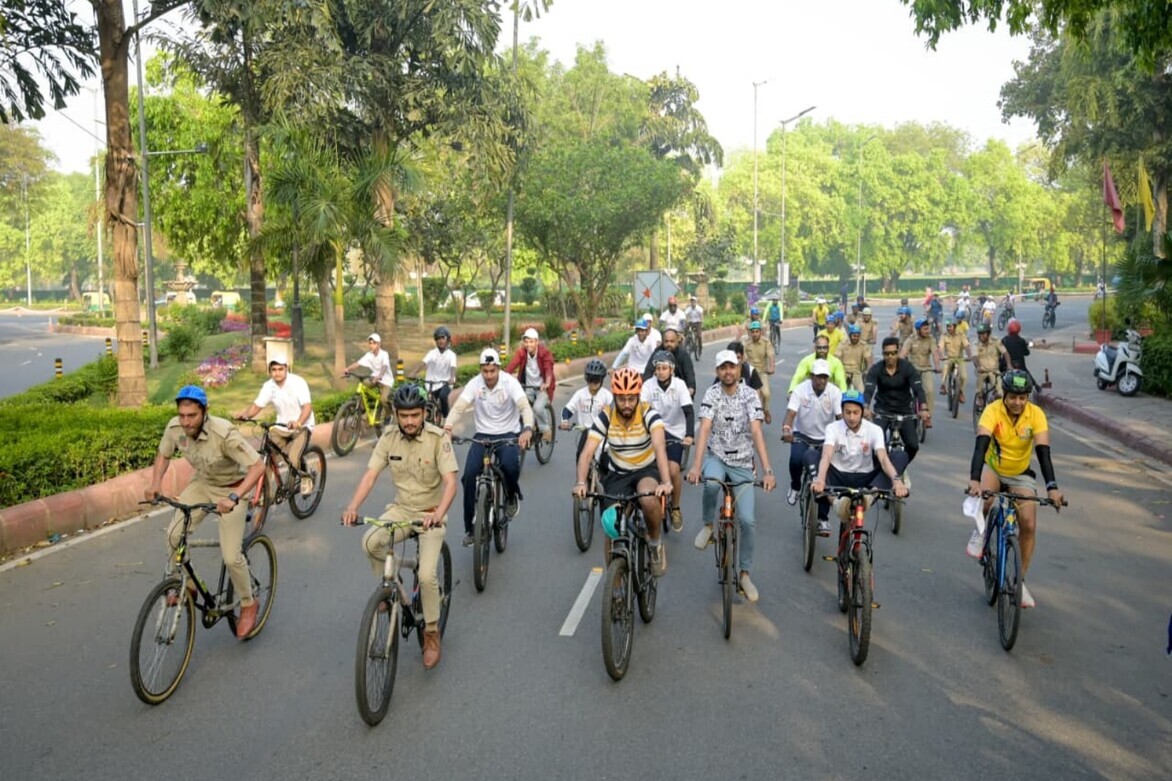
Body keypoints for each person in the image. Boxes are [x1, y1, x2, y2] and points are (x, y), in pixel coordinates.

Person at [342, 383, 458, 669]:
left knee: (428, 576)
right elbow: (370, 475)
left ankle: (431, 632)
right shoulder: (389, 437)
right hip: (401, 510)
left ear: (424, 413)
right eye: (403, 415)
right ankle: (393, 581)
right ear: (395, 414)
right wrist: (352, 507)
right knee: (370, 542)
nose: (409, 421)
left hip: (430, 514)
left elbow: (451, 483)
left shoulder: (438, 438)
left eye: (415, 415)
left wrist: (438, 514)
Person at [147, 386, 267, 639]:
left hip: (232, 488)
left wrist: (234, 497)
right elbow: (163, 455)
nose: (186, 422)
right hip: (202, 484)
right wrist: (155, 483)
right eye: (182, 415)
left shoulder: (223, 434)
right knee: (173, 535)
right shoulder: (175, 428)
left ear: (205, 411)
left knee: (231, 556)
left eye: (192, 415)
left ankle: (248, 603)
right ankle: (188, 587)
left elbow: (258, 467)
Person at [966, 370, 1065, 608]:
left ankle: (1019, 581)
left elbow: (1043, 454)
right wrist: (974, 480)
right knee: (985, 501)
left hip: (1021, 474)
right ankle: (980, 533)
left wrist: (1052, 488)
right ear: (1004, 395)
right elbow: (981, 447)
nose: (1017, 403)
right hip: (994, 468)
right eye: (1012, 397)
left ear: (1027, 397)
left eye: (1022, 398)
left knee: (1028, 524)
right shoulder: (992, 411)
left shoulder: (1036, 415)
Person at [687, 350, 777, 602]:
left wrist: (768, 470)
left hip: (743, 464)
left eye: (732, 367)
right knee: (711, 485)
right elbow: (705, 429)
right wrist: (696, 466)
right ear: (717, 371)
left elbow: (756, 431)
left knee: (747, 520)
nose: (728, 372)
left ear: (738, 369)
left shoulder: (749, 395)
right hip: (716, 457)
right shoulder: (711, 394)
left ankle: (745, 574)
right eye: (723, 368)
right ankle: (708, 525)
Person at [572, 368, 672, 575]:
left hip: (646, 470)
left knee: (648, 499)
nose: (626, 404)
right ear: (614, 397)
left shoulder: (648, 414)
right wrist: (581, 482)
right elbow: (587, 452)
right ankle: (615, 586)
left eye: (631, 399)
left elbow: (659, 447)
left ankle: (655, 543)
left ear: (638, 396)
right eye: (621, 399)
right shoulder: (606, 416)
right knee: (612, 527)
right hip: (618, 474)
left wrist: (666, 482)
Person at [444, 348, 534, 546]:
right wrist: (448, 427)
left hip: (508, 433)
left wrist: (527, 428)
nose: (489, 375)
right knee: (468, 476)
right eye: (485, 371)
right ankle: (470, 529)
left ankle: (511, 495)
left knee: (510, 466)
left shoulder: (510, 383)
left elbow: (524, 407)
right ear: (481, 369)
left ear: (498, 369)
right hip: (483, 435)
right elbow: (459, 407)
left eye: (492, 371)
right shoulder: (475, 384)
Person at [810, 389, 909, 537]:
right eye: (847, 412)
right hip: (838, 476)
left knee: (900, 456)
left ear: (862, 412)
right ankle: (836, 504)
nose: (851, 417)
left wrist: (897, 481)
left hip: (865, 478)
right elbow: (827, 455)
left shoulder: (874, 430)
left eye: (856, 412)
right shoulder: (833, 428)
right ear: (842, 411)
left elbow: (883, 458)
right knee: (810, 455)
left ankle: (869, 497)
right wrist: (820, 479)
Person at [641, 350, 694, 531]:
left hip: (675, 431)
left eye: (664, 368)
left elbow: (688, 412)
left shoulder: (680, 385)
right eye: (658, 368)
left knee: (673, 469)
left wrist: (689, 435)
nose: (661, 372)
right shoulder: (648, 386)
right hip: (653, 430)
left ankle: (676, 507)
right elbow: (642, 410)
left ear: (671, 370)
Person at [235, 357, 315, 475]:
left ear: (286, 369)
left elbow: (307, 407)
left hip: (302, 427)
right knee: (266, 458)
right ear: (270, 371)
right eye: (274, 369)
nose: (277, 373)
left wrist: (298, 422)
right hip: (281, 427)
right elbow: (257, 406)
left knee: (294, 459)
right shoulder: (269, 386)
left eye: (280, 369)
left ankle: (306, 476)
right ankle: (265, 487)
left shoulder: (298, 382)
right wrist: (245, 415)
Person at [781, 359, 842, 506]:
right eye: (819, 377)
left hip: (826, 438)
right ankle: (795, 486)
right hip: (802, 434)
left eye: (825, 377)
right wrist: (787, 430)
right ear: (811, 376)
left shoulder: (834, 392)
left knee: (826, 472)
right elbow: (790, 413)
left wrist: (843, 437)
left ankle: (822, 515)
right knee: (796, 460)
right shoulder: (800, 390)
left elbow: (840, 417)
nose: (822, 381)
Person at [864, 336, 929, 462]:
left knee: (913, 445)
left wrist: (924, 408)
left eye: (893, 353)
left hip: (904, 411)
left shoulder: (908, 368)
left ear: (898, 352)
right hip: (882, 410)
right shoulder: (876, 369)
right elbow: (868, 391)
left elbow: (918, 389)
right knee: (875, 446)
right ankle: (880, 468)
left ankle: (902, 465)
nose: (890, 357)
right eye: (887, 354)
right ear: (883, 354)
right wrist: (865, 407)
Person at [505, 327, 556, 442]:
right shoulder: (522, 352)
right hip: (527, 387)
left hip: (542, 388)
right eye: (526, 342)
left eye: (531, 342)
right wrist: (501, 377)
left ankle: (546, 429)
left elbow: (548, 369)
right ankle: (528, 427)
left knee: (538, 408)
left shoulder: (544, 353)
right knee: (519, 406)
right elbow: (512, 365)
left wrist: (547, 383)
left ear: (537, 342)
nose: (528, 345)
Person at [561, 358, 614, 459]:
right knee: (580, 455)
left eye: (596, 379)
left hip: (603, 434)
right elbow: (568, 409)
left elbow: (615, 413)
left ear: (602, 379)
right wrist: (565, 421)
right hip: (585, 432)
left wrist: (608, 411)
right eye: (590, 379)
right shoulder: (580, 394)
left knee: (606, 460)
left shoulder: (607, 396)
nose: (593, 383)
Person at [901, 319, 940, 423]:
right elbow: (903, 353)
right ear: (918, 330)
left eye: (928, 329)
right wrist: (901, 367)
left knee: (930, 391)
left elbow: (935, 354)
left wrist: (937, 366)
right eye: (925, 329)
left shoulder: (931, 339)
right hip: (912, 370)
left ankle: (927, 416)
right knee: (904, 390)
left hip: (926, 369)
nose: (928, 331)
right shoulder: (911, 339)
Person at [641, 325, 696, 397]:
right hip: (659, 393)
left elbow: (690, 376)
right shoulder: (657, 353)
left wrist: (688, 392)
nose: (669, 344)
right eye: (666, 341)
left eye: (672, 341)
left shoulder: (683, 355)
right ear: (662, 341)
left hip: (679, 394)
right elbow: (648, 371)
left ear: (677, 341)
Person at [344, 333, 394, 409]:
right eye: (370, 343)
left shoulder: (384, 354)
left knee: (383, 400)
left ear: (379, 344)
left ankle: (389, 413)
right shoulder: (369, 355)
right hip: (374, 379)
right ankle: (362, 408)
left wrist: (380, 376)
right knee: (363, 386)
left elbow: (385, 366)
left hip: (386, 381)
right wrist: (347, 369)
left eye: (374, 343)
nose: (371, 345)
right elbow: (358, 363)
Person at [741, 321, 775, 425]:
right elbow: (743, 358)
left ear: (760, 332)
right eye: (753, 332)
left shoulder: (766, 342)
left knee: (766, 393)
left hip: (762, 372)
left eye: (757, 331)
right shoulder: (747, 344)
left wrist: (772, 368)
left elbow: (771, 356)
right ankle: (754, 417)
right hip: (751, 374)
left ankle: (766, 410)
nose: (755, 334)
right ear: (750, 333)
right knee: (753, 396)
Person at [420, 326, 458, 418]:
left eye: (443, 338)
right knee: (425, 402)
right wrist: (413, 373)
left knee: (443, 396)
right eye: (438, 338)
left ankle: (446, 417)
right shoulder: (432, 353)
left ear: (447, 340)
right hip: (431, 384)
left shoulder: (451, 355)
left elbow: (453, 367)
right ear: (436, 341)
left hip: (445, 383)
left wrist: (452, 377)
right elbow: (423, 363)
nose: (441, 341)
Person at [938, 318, 972, 404]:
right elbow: (940, 347)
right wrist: (941, 355)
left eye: (950, 326)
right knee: (945, 368)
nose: (948, 328)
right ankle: (943, 385)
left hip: (959, 359)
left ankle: (960, 392)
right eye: (947, 326)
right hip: (948, 358)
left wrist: (969, 356)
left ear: (955, 326)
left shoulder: (961, 335)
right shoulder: (944, 335)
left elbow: (967, 346)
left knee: (964, 377)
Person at [972, 323, 1009, 399]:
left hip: (994, 371)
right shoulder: (976, 344)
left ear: (988, 333)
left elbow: (1005, 353)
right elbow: (975, 357)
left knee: (1000, 391)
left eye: (983, 333)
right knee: (980, 387)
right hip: (982, 371)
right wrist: (978, 366)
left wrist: (1009, 365)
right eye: (979, 334)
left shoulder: (996, 341)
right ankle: (979, 397)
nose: (981, 336)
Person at [836, 323, 870, 391]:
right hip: (844, 372)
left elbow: (868, 358)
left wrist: (868, 370)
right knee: (840, 393)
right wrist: (839, 372)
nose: (856, 338)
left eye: (858, 336)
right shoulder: (843, 344)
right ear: (850, 335)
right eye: (854, 336)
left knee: (861, 393)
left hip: (857, 373)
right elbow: (837, 358)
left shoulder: (863, 345)